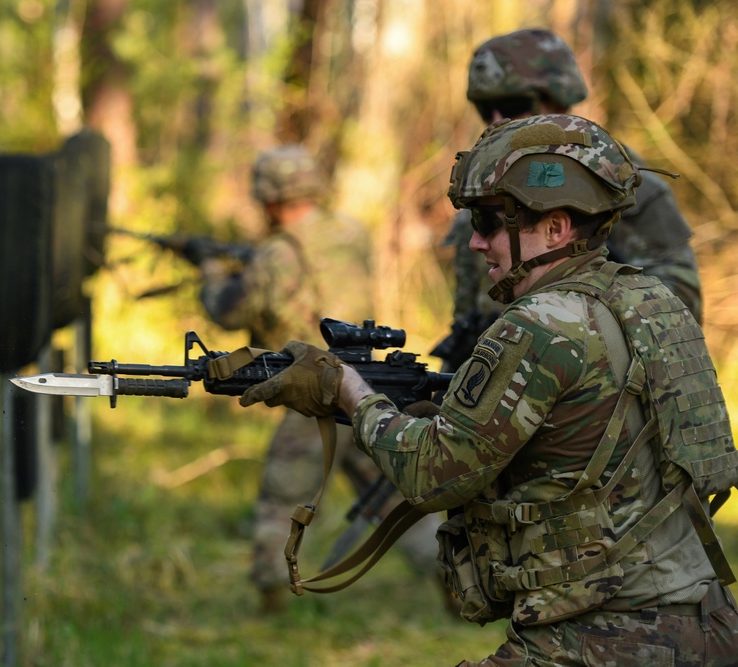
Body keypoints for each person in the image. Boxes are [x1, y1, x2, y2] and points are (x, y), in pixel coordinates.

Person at [238, 114, 738, 665]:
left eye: (490, 221)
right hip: (705, 622)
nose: (475, 242)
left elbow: (431, 477)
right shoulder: (652, 302)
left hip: (599, 636)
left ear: (555, 227)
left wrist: (348, 391)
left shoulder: (539, 324)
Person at [198, 144, 441, 612]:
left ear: (269, 198)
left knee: (282, 492)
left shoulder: (275, 253)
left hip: (313, 392)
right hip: (368, 386)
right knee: (391, 494)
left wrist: (210, 272)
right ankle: (451, 575)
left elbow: (229, 312)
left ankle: (273, 596)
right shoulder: (350, 232)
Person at [436, 28, 702, 373]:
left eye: (515, 105)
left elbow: (679, 314)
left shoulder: (620, 184)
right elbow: (469, 318)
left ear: (559, 99)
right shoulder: (482, 193)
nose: (498, 120)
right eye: (486, 109)